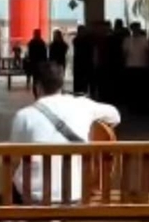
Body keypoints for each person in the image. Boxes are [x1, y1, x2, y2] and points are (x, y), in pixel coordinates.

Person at [10, 62, 120, 203]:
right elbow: (115, 116)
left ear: (37, 86)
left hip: (35, 198)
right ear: (62, 85)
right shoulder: (82, 105)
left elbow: (14, 158)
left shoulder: (24, 115)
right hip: (75, 195)